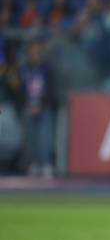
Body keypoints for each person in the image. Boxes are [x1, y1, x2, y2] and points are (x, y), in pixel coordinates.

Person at [20, 40, 57, 178]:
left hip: (44, 107)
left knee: (45, 137)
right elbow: (20, 89)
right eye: (33, 51)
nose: (35, 54)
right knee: (30, 137)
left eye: (38, 52)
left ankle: (46, 164)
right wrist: (27, 104)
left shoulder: (47, 69)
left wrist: (41, 104)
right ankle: (34, 163)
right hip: (28, 106)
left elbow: (51, 89)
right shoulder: (24, 68)